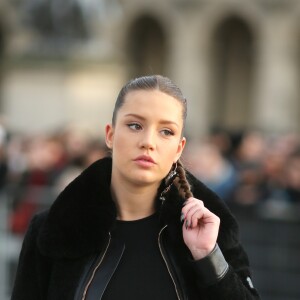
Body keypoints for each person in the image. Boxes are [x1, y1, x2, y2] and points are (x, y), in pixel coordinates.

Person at [11, 75, 260, 299]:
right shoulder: (53, 231)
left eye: (166, 131)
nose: (148, 142)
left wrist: (207, 257)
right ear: (110, 134)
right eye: (135, 126)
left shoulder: (212, 232)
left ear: (179, 148)